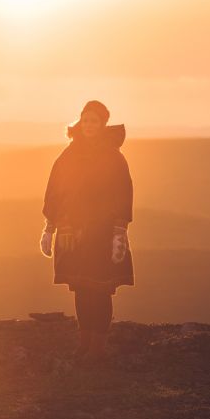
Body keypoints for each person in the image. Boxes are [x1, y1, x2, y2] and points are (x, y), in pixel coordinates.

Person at [41, 100, 134, 364]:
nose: (89, 125)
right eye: (85, 120)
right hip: (74, 232)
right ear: (79, 123)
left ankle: (98, 349)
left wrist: (119, 230)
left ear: (103, 124)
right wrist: (51, 225)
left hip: (103, 234)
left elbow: (123, 193)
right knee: (81, 289)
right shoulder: (68, 154)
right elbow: (55, 190)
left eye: (94, 121)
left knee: (101, 290)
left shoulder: (114, 157)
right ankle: (84, 345)